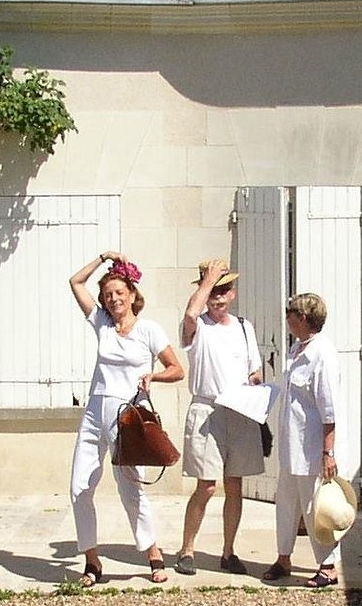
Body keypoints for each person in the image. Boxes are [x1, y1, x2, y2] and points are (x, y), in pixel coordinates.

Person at [67, 251, 184, 586]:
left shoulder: (149, 330)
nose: (113, 298)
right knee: (79, 488)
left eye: (119, 292)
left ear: (133, 295)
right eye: (108, 294)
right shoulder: (102, 323)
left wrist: (153, 378)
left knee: (130, 488)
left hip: (128, 415)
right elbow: (75, 282)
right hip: (95, 411)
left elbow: (177, 369)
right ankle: (91, 561)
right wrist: (103, 259)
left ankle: (153, 554)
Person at [172, 257, 265, 575]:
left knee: (234, 484)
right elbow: (189, 314)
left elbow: (255, 367)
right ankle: (187, 549)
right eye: (213, 291)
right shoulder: (198, 327)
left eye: (224, 290)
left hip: (240, 410)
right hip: (207, 410)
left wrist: (256, 381)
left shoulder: (243, 327)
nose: (218, 297)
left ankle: (229, 551)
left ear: (233, 293)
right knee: (207, 486)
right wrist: (207, 281)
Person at [264, 291, 342, 587]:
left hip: (311, 449)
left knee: (314, 507)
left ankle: (328, 564)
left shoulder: (322, 355)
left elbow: (329, 410)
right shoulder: (298, 349)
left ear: (304, 319)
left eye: (290, 314)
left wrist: (328, 452)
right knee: (286, 503)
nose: (287, 319)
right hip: (291, 447)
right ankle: (284, 557)